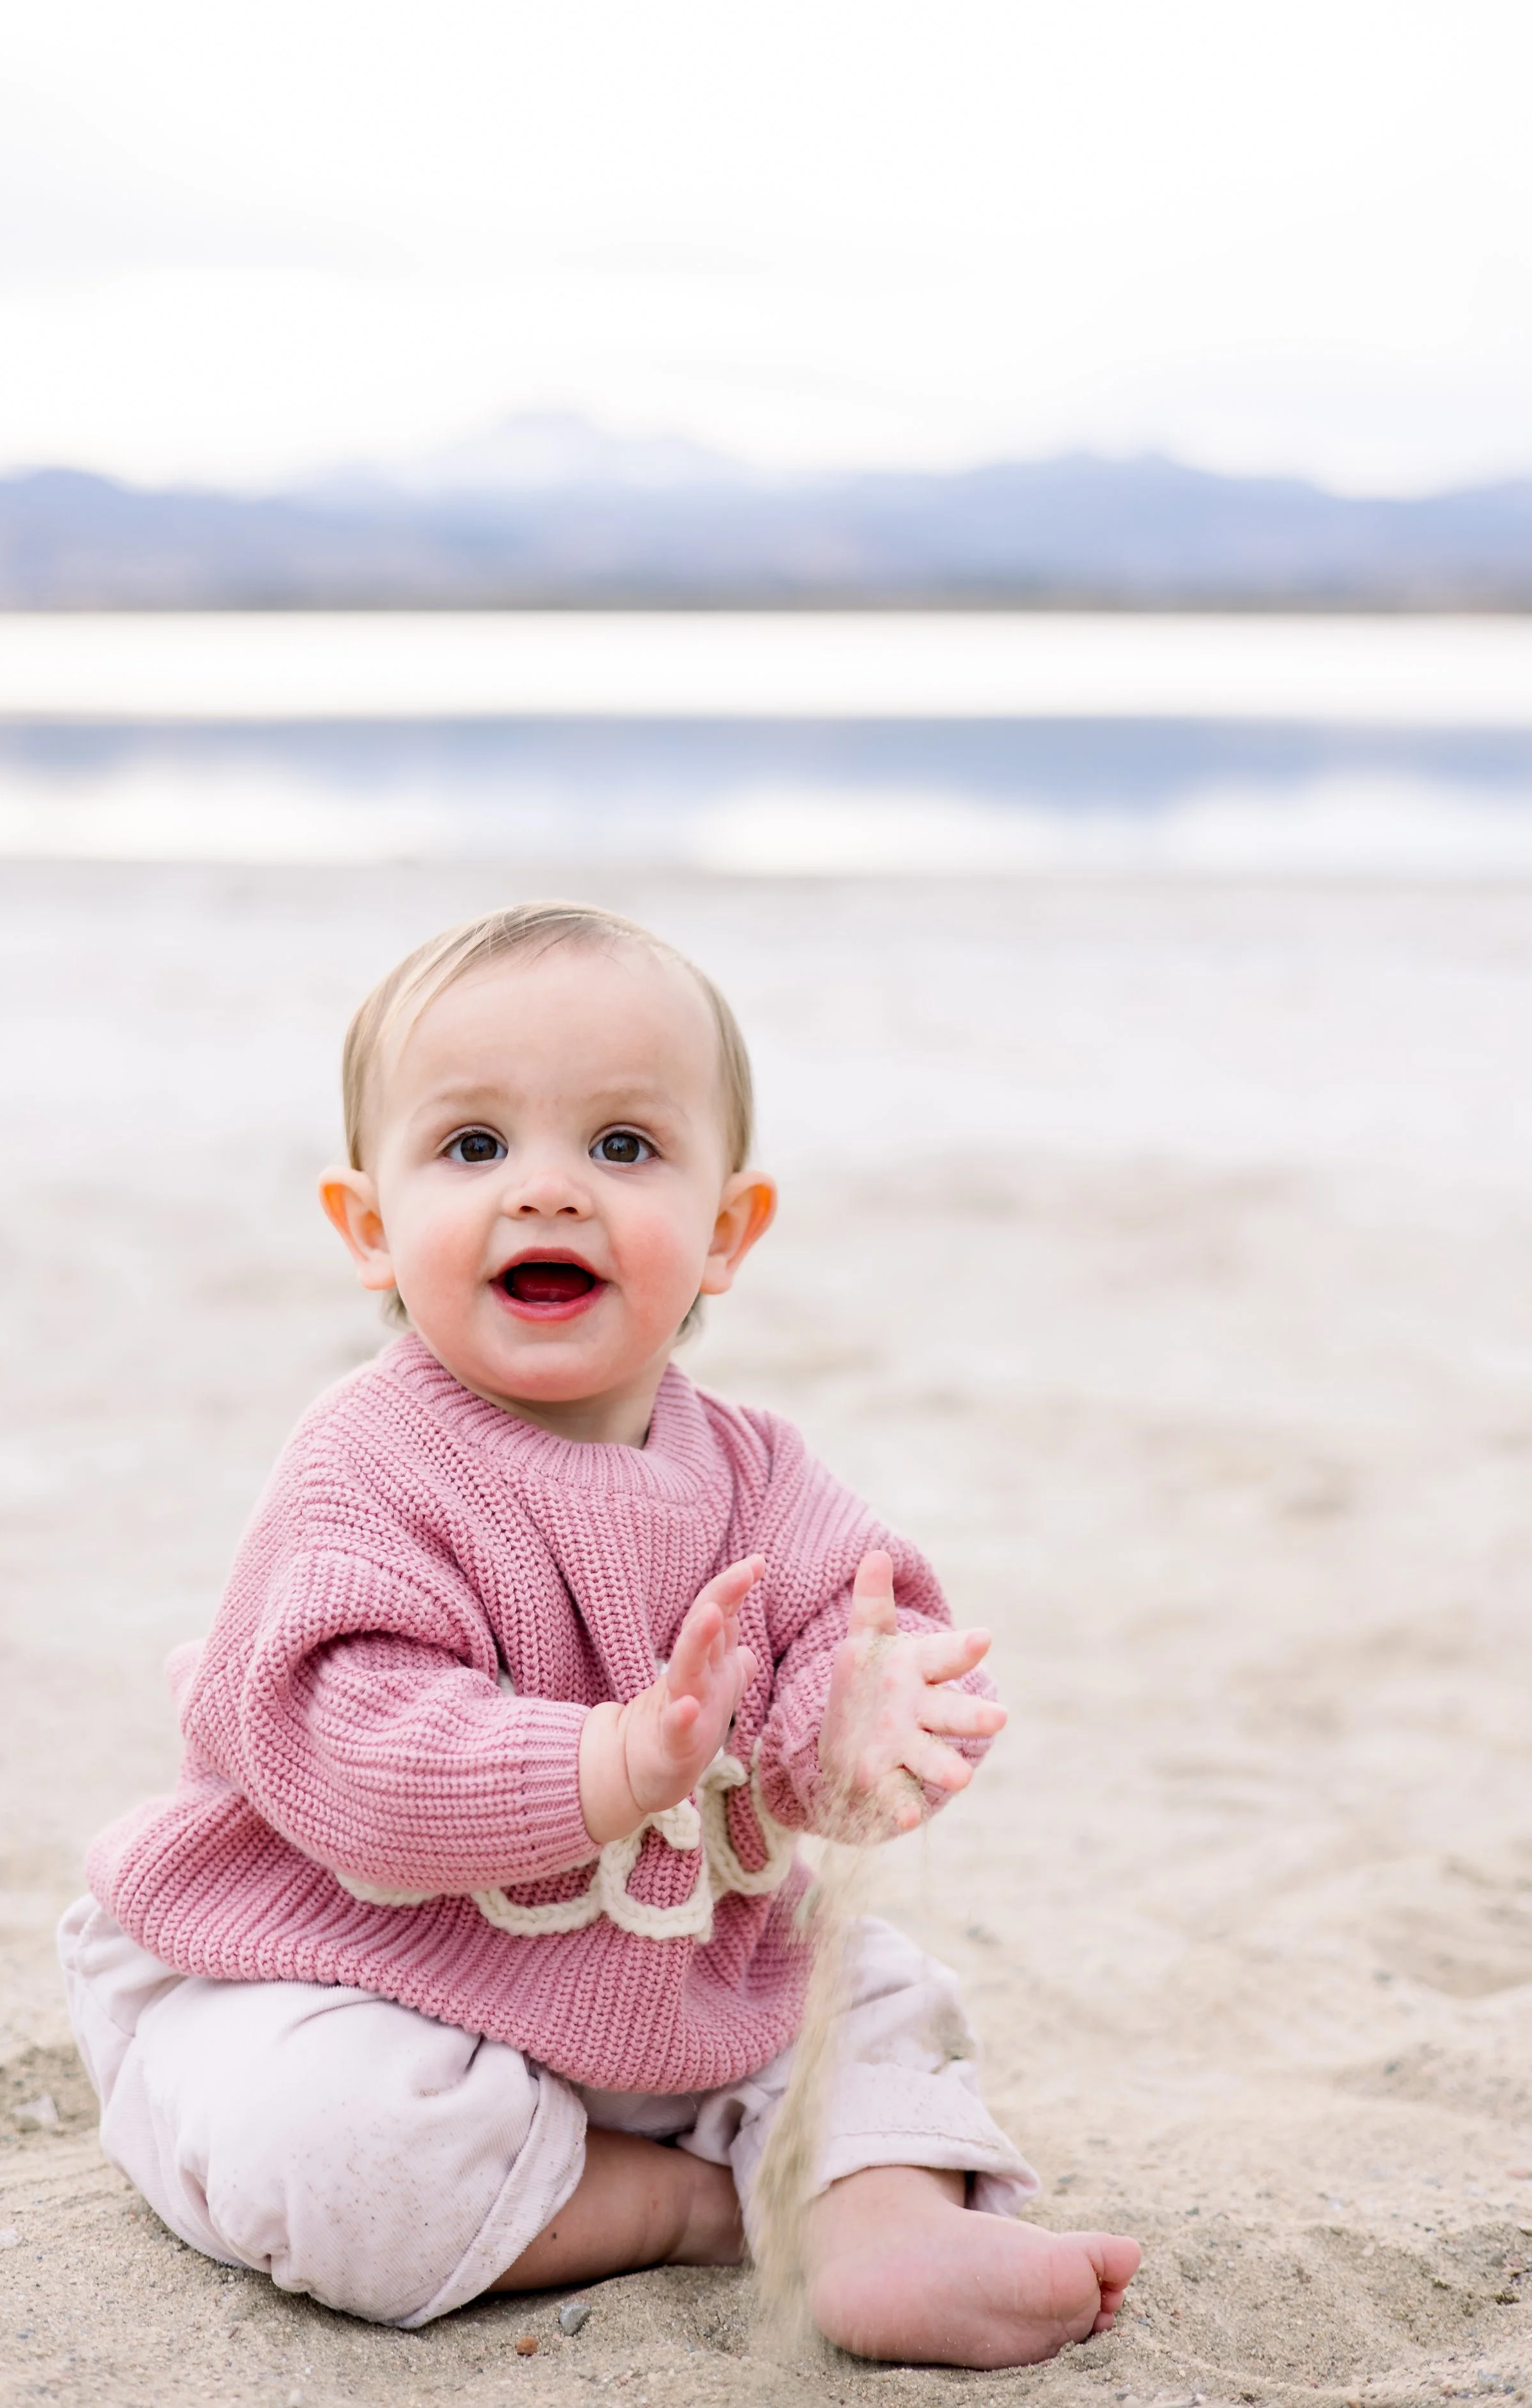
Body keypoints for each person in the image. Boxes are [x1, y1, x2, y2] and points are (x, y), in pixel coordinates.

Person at [59, 900, 1140, 2368]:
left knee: (870, 1992)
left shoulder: (756, 1472)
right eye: (474, 1147)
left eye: (622, 1148)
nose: (548, 1192)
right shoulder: (364, 1468)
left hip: (662, 1977)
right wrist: (614, 1757)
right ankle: (702, 2207)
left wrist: (864, 1713)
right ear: (370, 1230)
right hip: (345, 1973)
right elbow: (352, 1752)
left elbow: (848, 1622)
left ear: (724, 1232)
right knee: (334, 2149)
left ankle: (876, 2218)